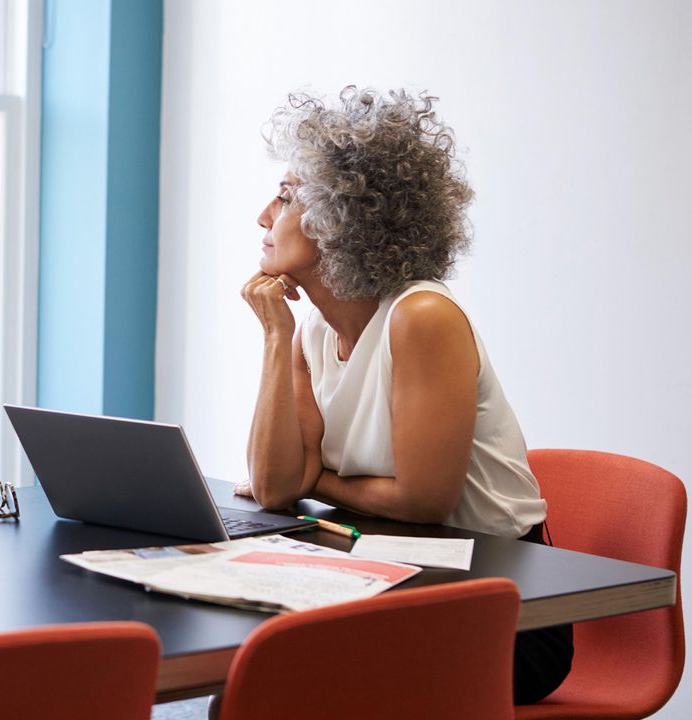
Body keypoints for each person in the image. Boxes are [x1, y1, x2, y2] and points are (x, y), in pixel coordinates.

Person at [239, 87, 572, 704]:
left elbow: (422, 501)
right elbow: (274, 485)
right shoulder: (313, 328)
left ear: (345, 217)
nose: (264, 216)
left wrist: (317, 481)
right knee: (255, 683)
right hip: (392, 576)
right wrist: (275, 335)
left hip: (503, 607)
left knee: (282, 686)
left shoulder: (422, 318)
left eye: (286, 196)